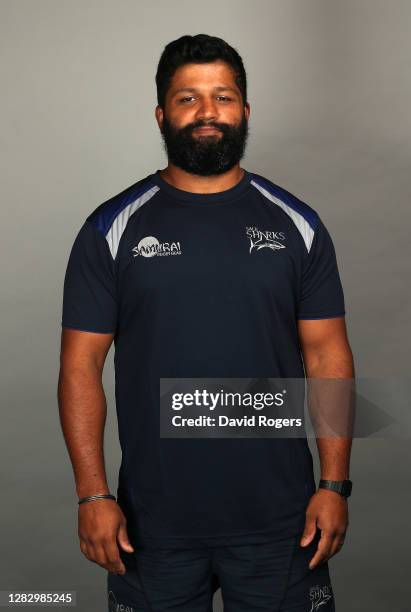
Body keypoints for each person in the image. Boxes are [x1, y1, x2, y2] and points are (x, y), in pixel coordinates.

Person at [58, 33, 354, 612]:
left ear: (245, 109)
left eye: (222, 96)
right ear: (162, 113)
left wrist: (334, 484)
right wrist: (91, 494)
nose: (207, 112)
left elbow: (327, 357)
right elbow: (80, 367)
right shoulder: (110, 230)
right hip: (151, 527)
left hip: (282, 522)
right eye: (188, 98)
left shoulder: (298, 224)